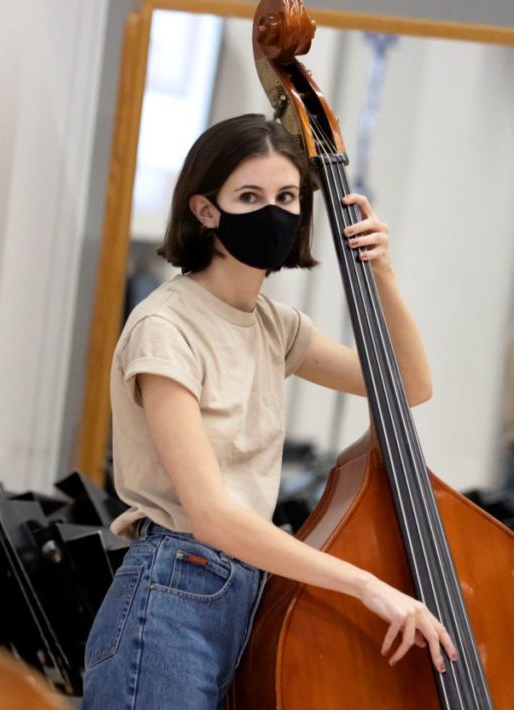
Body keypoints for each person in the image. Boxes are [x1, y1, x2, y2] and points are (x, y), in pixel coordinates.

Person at [81, 114, 457, 708]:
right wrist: (367, 586)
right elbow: (211, 515)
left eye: (286, 197)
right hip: (173, 590)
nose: (274, 212)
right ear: (206, 210)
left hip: (240, 593)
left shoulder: (274, 326)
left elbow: (409, 383)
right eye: (250, 197)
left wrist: (381, 270)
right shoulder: (165, 326)